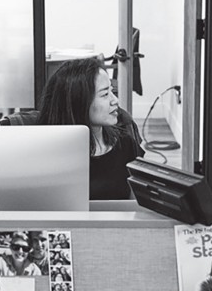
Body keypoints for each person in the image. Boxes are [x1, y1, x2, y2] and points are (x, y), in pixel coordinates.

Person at [37, 57, 144, 200]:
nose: (115, 100)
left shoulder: (125, 145)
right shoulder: (45, 154)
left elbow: (137, 206)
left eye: (112, 91)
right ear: (79, 101)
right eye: (105, 94)